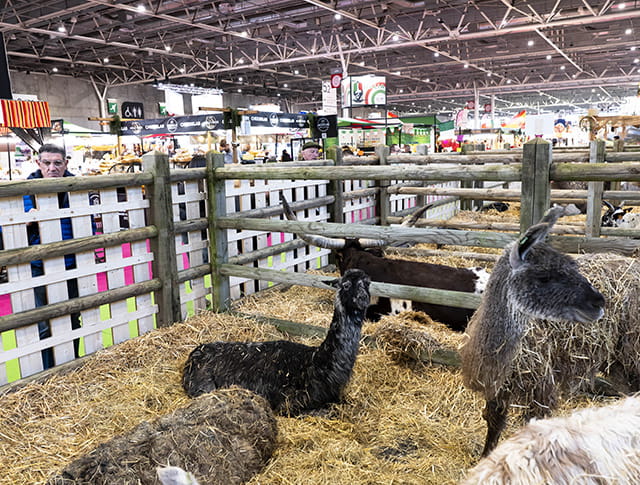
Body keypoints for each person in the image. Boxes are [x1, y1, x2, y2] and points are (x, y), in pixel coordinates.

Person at [25, 143, 81, 369]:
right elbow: (5, 227)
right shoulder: (23, 190)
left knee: (73, 316)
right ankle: (49, 371)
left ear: (66, 163)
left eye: (57, 163)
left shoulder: (77, 187)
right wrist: (25, 221)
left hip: (72, 262)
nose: (52, 168)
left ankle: (72, 364)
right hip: (39, 263)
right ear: (38, 163)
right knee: (44, 322)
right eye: (46, 163)